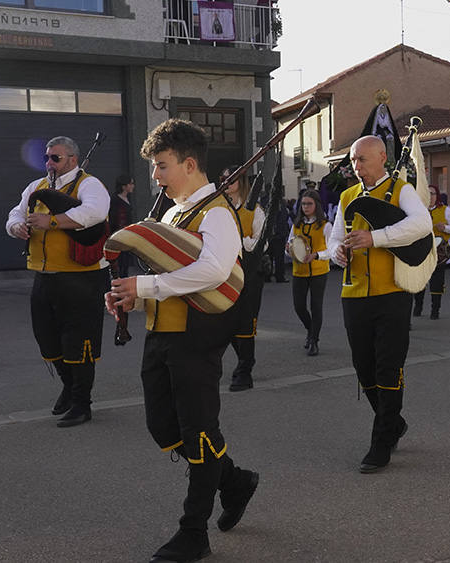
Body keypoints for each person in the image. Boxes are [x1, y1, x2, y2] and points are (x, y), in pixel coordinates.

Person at [105, 119, 259, 562]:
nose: (155, 176)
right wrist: (129, 297)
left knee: (200, 432)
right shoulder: (172, 214)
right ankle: (235, 481)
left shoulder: (217, 212)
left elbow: (214, 271)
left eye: (161, 166)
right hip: (161, 333)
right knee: (163, 427)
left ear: (189, 164)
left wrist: (146, 289)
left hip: (195, 339)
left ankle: (194, 532)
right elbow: (165, 275)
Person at [328, 135, 432, 473]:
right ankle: (393, 422)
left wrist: (376, 238)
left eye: (362, 160)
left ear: (383, 157)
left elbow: (422, 225)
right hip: (354, 294)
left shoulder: (401, 190)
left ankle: (381, 440)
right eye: (354, 161)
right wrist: (338, 253)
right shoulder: (347, 196)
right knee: (364, 369)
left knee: (389, 367)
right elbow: (333, 240)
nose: (356, 167)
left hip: (392, 293)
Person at [5, 136, 109, 427]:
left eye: (56, 158)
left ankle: (82, 403)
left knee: (79, 342)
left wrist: (51, 221)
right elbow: (16, 212)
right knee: (47, 340)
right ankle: (69, 387)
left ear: (72, 160)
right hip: (44, 275)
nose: (49, 163)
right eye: (47, 158)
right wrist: (17, 226)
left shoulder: (89, 185)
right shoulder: (35, 187)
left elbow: (94, 213)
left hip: (81, 277)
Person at [222, 166, 266, 390]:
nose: (226, 183)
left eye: (231, 179)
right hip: (226, 273)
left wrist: (237, 240)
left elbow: (261, 242)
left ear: (241, 182)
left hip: (249, 273)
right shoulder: (221, 210)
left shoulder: (255, 210)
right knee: (228, 323)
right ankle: (245, 359)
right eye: (224, 179)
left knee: (245, 323)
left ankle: (244, 371)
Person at [288, 190, 331, 356]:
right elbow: (290, 246)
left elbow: (332, 249)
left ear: (316, 205)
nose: (305, 207)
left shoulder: (326, 226)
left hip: (319, 271)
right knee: (299, 306)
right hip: (299, 271)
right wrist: (288, 250)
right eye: (303, 204)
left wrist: (317, 255)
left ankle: (314, 340)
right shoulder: (296, 225)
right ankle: (310, 330)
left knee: (316, 306)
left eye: (309, 204)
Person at [413, 185, 450, 319]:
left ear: (437, 195)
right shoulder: (419, 211)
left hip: (439, 251)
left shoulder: (445, 210)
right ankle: (418, 307)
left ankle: (435, 310)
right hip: (422, 248)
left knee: (436, 281)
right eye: (427, 194)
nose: (430, 196)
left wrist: (444, 227)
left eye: (432, 194)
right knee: (420, 279)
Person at [109, 174, 136, 277]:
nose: (133, 186)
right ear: (124, 186)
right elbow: (116, 219)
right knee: (120, 262)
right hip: (119, 235)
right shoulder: (115, 200)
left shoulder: (127, 198)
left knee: (125, 262)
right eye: (131, 184)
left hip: (126, 234)